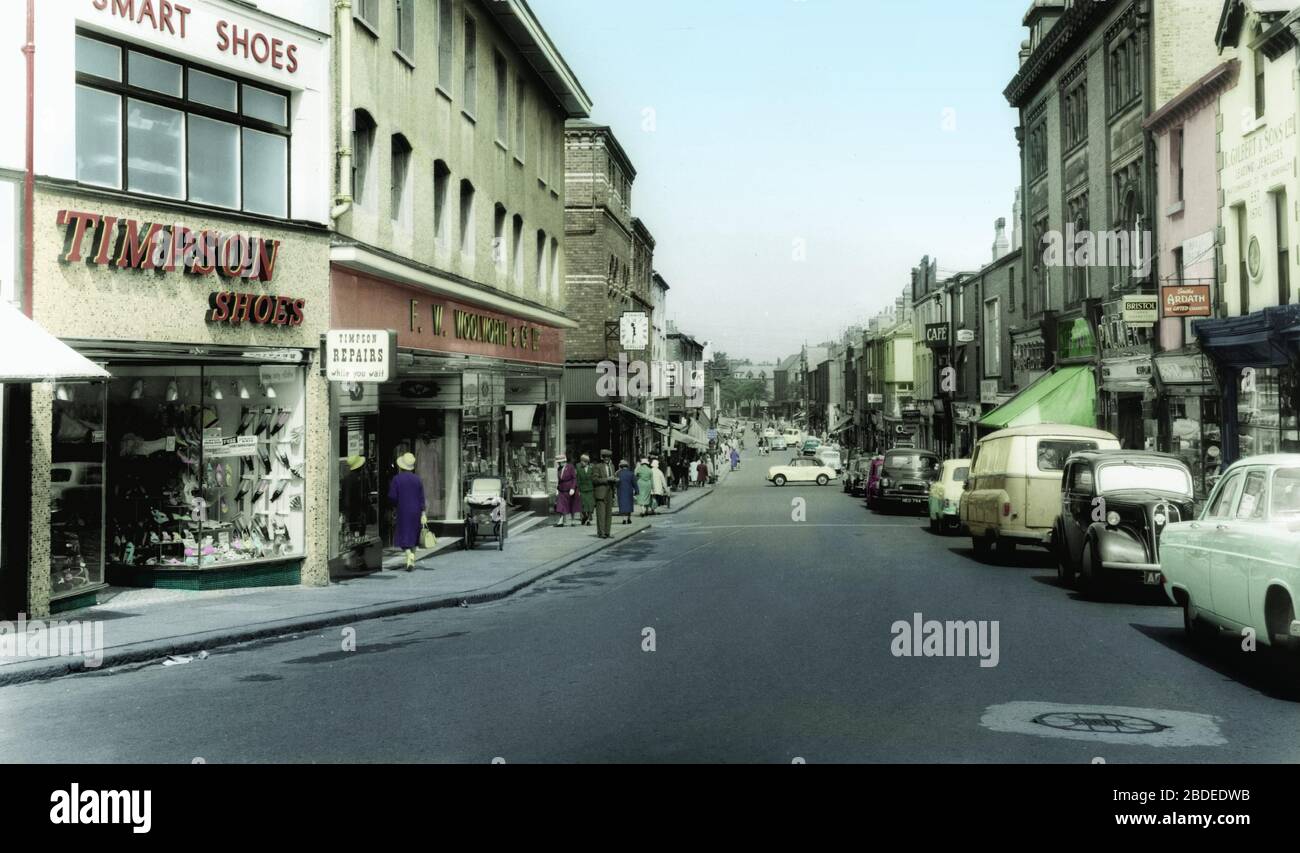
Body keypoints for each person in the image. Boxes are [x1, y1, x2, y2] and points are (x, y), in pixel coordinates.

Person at [387, 452, 425, 572]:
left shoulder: (396, 479)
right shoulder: (417, 480)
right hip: (416, 510)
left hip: (403, 510)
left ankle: (408, 554)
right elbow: (422, 497)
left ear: (401, 466)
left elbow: (392, 497)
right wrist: (423, 512)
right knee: (413, 534)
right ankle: (411, 558)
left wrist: (393, 507)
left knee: (403, 535)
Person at [592, 450, 616, 538]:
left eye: (608, 457)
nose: (606, 459)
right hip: (601, 492)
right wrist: (607, 479)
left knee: (608, 514)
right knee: (601, 514)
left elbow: (612, 478)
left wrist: (615, 480)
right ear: (602, 458)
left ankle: (607, 532)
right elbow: (594, 480)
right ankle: (601, 533)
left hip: (609, 492)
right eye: (605, 457)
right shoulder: (597, 467)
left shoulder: (612, 466)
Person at [555, 454, 578, 527]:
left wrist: (572, 488)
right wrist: (557, 489)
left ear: (564, 461)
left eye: (560, 462)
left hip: (569, 489)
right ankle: (560, 521)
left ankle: (573, 520)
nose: (559, 464)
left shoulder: (570, 467)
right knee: (560, 505)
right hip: (562, 489)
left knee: (571, 505)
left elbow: (574, 478)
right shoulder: (559, 469)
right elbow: (559, 480)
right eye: (558, 462)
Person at [575, 453, 595, 526]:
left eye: (583, 461)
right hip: (582, 490)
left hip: (590, 489)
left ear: (586, 462)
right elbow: (577, 480)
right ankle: (585, 517)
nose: (581, 462)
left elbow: (593, 479)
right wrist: (578, 490)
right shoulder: (579, 468)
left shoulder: (591, 469)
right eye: (581, 461)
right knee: (583, 506)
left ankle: (588, 520)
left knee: (590, 505)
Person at [617, 459, 638, 524]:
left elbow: (616, 483)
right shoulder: (631, 473)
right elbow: (634, 483)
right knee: (629, 505)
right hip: (629, 491)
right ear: (627, 466)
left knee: (622, 505)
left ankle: (624, 519)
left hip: (621, 491)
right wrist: (637, 490)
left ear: (621, 466)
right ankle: (629, 518)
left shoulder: (618, 474)